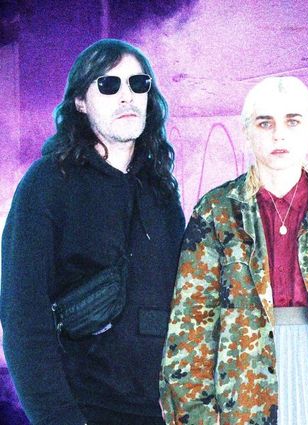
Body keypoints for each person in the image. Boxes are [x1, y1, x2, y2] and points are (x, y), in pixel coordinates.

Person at [159, 77, 308, 425]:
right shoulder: (215, 213)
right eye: (265, 123)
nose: (278, 135)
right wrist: (195, 415)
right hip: (241, 389)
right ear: (247, 132)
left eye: (292, 121)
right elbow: (190, 325)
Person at [1, 39, 185, 425]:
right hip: (84, 411)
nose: (126, 96)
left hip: (162, 412)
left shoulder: (161, 191)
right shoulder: (48, 184)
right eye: (108, 84)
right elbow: (23, 317)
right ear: (80, 102)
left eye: (138, 83)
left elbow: (184, 305)